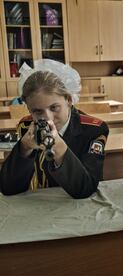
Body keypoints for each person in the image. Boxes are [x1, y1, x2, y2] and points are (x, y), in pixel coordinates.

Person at [0, 59, 109, 199]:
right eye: (37, 111)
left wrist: (60, 149)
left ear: (69, 100)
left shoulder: (94, 130)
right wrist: (24, 148)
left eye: (54, 108)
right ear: (28, 109)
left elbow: (86, 189)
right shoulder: (26, 127)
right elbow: (9, 188)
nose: (48, 118)